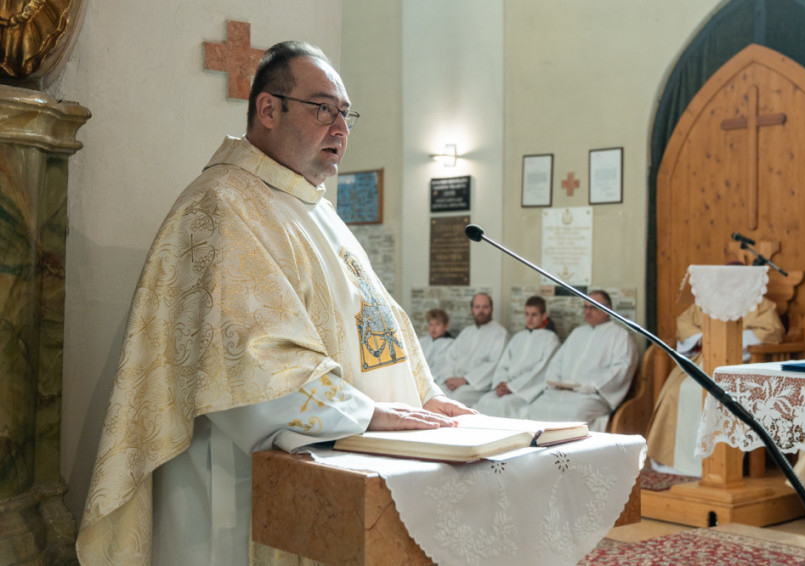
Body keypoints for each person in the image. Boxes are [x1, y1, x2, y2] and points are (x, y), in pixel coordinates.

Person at [75, 41, 473, 566]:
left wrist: (423, 396)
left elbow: (378, 321)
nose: (341, 128)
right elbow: (251, 356)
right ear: (268, 109)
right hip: (242, 483)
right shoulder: (222, 206)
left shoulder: (317, 211)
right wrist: (365, 413)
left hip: (350, 470)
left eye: (346, 114)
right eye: (323, 109)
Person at [645, 298, 784, 476]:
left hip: (742, 362)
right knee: (675, 391)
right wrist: (705, 338)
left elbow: (771, 331)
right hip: (705, 359)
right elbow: (685, 323)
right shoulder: (708, 299)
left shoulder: (758, 303)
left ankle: (719, 464)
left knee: (718, 395)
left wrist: (729, 340)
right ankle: (673, 461)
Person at [527, 290, 638, 430]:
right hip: (562, 391)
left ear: (608, 309)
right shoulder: (577, 332)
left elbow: (622, 369)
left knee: (575, 414)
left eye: (593, 307)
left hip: (592, 396)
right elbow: (557, 361)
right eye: (585, 307)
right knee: (536, 408)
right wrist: (554, 380)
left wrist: (593, 386)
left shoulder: (620, 336)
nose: (587, 312)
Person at [474, 296, 560, 418]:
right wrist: (501, 383)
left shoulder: (550, 339)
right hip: (507, 385)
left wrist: (512, 387)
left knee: (504, 404)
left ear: (544, 316)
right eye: (527, 314)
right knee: (485, 400)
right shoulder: (518, 337)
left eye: (534, 315)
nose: (529, 319)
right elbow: (503, 365)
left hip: (527, 390)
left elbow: (541, 370)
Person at [441, 293, 509, 406]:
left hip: (478, 385)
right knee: (437, 394)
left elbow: (494, 364)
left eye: (485, 307)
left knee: (456, 398)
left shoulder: (500, 334)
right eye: (477, 307)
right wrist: (449, 377)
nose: (481, 311)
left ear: (491, 309)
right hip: (454, 381)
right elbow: (450, 357)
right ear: (472, 310)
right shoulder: (466, 332)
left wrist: (465, 380)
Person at [418, 308, 454, 383]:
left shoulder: (451, 343)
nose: (433, 328)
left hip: (436, 381)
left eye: (438, 324)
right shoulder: (423, 341)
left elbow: (445, 367)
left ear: (446, 326)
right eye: (431, 324)